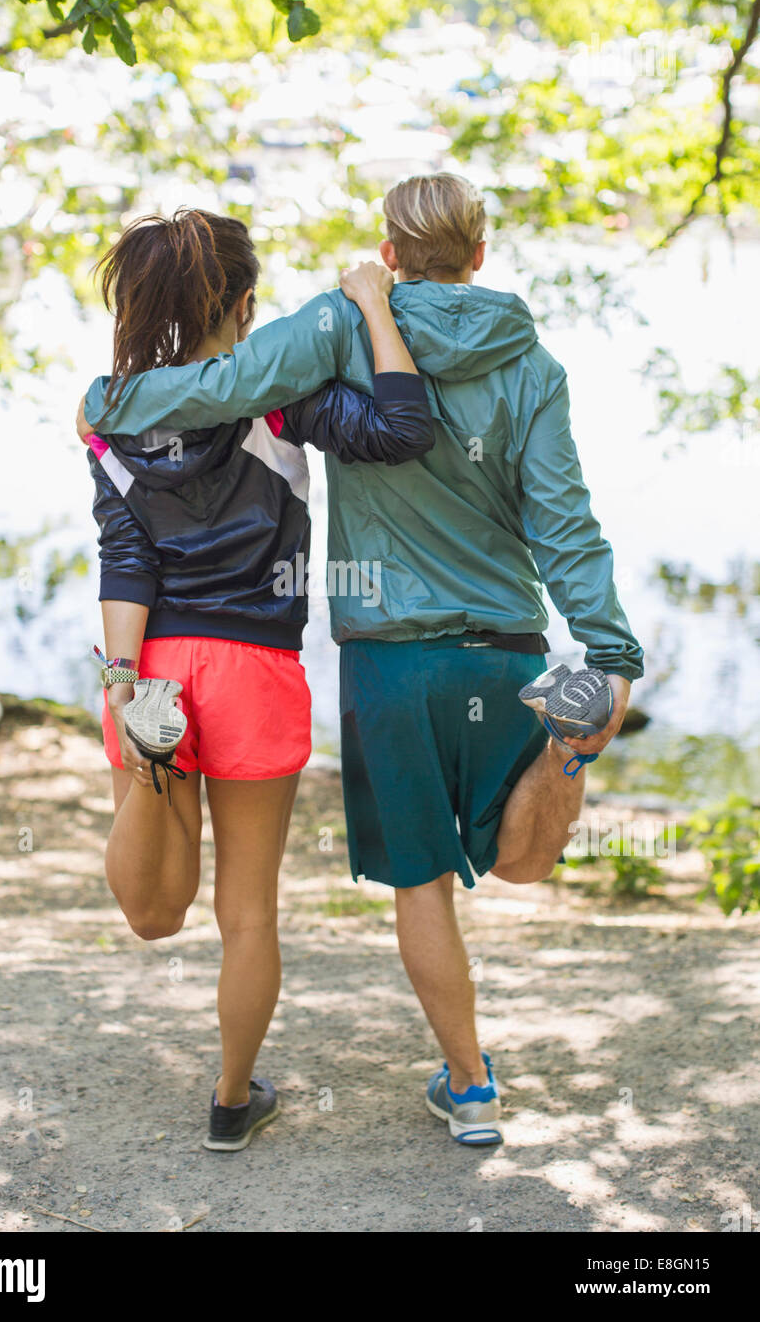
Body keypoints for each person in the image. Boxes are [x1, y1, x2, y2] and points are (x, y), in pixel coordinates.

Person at [79, 175, 644, 1147]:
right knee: (513, 861)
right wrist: (608, 645)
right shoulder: (532, 366)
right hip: (495, 643)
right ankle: (564, 754)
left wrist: (111, 401)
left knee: (418, 882)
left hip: (379, 656)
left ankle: (469, 1089)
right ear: (478, 255)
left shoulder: (337, 327)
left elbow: (221, 391)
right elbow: (563, 522)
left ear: (386, 253)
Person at [85, 207, 433, 1151]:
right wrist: (370, 306)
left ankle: (154, 766)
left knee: (155, 913)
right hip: (255, 672)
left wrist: (122, 678)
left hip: (152, 660)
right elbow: (404, 426)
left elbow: (125, 552)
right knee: (247, 915)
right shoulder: (281, 401)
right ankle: (232, 1102)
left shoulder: (111, 412)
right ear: (243, 308)